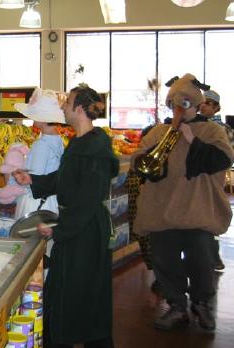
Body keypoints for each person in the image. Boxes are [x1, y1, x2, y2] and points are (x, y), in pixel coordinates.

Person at [13, 84, 118, 348]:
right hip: (78, 228)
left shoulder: (94, 149)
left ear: (79, 109)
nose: (63, 106)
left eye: (68, 102)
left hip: (85, 231)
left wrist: (59, 231)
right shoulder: (81, 142)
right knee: (72, 292)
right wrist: (34, 179)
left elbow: (87, 199)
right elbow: (65, 180)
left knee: (79, 292)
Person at [132, 74, 234, 331]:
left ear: (197, 104)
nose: (178, 109)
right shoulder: (158, 131)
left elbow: (222, 160)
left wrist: (192, 139)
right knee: (164, 261)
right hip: (161, 211)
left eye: (185, 103)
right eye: (174, 104)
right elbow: (141, 161)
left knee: (201, 261)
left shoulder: (212, 130)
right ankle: (176, 306)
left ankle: (202, 304)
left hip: (197, 210)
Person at [13, 88, 65, 218]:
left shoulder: (41, 145)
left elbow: (35, 179)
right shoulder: (58, 139)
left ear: (43, 119)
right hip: (51, 201)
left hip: (36, 203)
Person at [199, 89, 231, 271]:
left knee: (210, 217)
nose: (203, 106)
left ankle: (212, 257)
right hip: (200, 180)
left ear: (216, 108)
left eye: (208, 103)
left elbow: (227, 156)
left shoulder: (222, 129)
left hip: (213, 180)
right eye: (201, 102)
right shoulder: (198, 125)